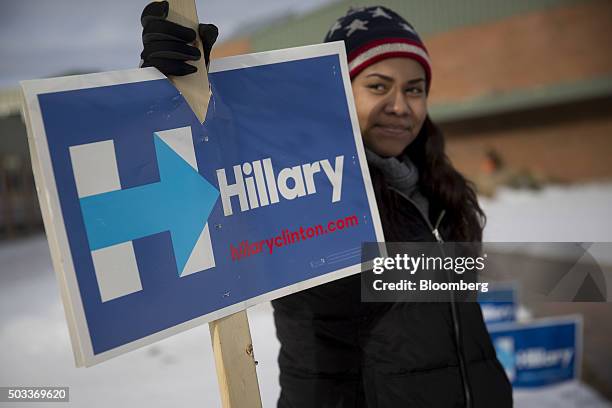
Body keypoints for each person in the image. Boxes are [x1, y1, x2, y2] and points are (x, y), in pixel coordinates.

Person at [140, 3, 512, 407]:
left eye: (414, 89)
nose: (401, 106)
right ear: (335, 91)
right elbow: (197, 188)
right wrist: (170, 98)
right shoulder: (304, 189)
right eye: (378, 86)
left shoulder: (440, 190)